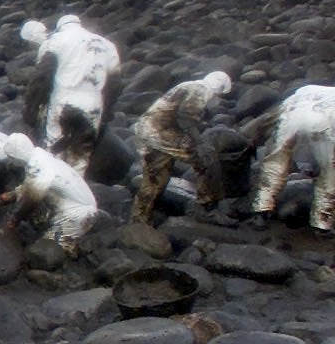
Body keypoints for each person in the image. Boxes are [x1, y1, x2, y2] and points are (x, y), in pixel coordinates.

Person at [21, 16, 121, 173]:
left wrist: (31, 110)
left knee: (53, 153)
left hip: (63, 103)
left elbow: (42, 78)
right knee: (80, 159)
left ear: (60, 26)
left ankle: (49, 191)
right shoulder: (107, 45)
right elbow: (115, 85)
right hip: (93, 106)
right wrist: (106, 113)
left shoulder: (55, 41)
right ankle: (76, 189)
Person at [131, 71, 232, 223]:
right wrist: (200, 143)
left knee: (155, 177)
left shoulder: (189, 85)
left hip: (147, 131)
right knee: (207, 160)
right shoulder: (202, 90)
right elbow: (185, 117)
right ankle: (209, 208)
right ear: (219, 89)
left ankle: (139, 219)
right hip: (163, 132)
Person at [249, 84, 335, 232]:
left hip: (290, 115)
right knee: (330, 172)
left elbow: (272, 117)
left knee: (275, 164)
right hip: (324, 123)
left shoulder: (305, 91)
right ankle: (322, 224)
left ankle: (261, 212)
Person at [2, 147, 100, 255]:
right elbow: (31, 186)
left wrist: (15, 220)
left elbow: (32, 199)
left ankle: (71, 255)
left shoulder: (35, 168)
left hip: (77, 213)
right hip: (86, 202)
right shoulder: (42, 156)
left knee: (48, 249)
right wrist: (13, 195)